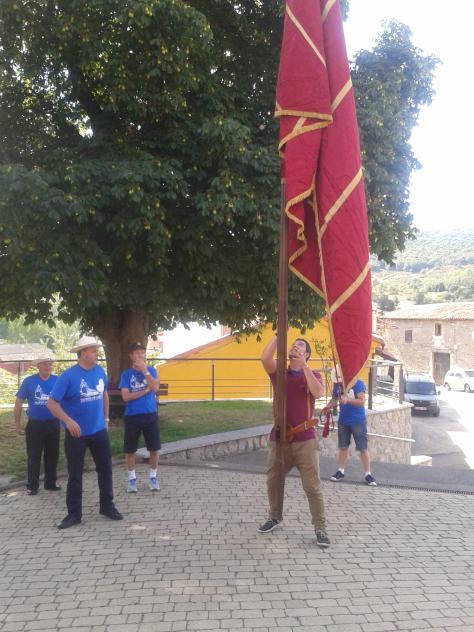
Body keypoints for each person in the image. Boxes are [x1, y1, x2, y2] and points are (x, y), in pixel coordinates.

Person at [258, 336, 330, 547]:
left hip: (305, 441)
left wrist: (305, 367)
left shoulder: (312, 375)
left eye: (300, 346)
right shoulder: (280, 374)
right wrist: (278, 334)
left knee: (312, 486)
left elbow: (318, 392)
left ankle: (320, 528)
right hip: (279, 439)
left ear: (306, 354)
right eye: (293, 344)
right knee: (273, 480)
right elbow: (265, 358)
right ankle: (274, 517)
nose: (295, 347)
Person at [47, 336, 123, 529]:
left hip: (98, 431)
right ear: (83, 353)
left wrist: (106, 419)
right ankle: (74, 514)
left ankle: (107, 506)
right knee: (75, 473)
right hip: (76, 434)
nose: (97, 353)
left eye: (97, 350)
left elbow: (104, 395)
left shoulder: (99, 371)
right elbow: (51, 403)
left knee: (105, 469)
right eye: (94, 350)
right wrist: (67, 420)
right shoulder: (68, 376)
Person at [14, 352, 61, 495]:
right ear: (38, 366)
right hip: (35, 425)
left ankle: (50, 483)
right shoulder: (29, 381)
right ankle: (32, 485)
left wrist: (66, 421)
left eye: (50, 364)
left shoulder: (57, 380)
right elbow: (19, 402)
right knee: (34, 456)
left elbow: (65, 401)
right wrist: (17, 424)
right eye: (45, 364)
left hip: (53, 423)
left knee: (52, 454)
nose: (48, 367)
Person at [119, 342, 161, 492]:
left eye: (142, 352)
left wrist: (144, 371)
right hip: (132, 416)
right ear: (131, 356)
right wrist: (145, 391)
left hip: (150, 414)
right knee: (130, 450)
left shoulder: (151, 370)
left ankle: (153, 477)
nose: (140, 355)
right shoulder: (126, 374)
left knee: (154, 448)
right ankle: (132, 479)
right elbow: (125, 396)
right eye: (136, 353)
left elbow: (155, 388)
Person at [329, 368, 377, 486]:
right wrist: (328, 406)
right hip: (343, 420)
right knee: (343, 447)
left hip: (358, 421)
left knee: (362, 448)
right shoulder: (337, 385)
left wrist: (348, 400)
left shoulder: (358, 383)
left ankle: (368, 474)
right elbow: (335, 399)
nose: (339, 381)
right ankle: (340, 471)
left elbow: (361, 401)